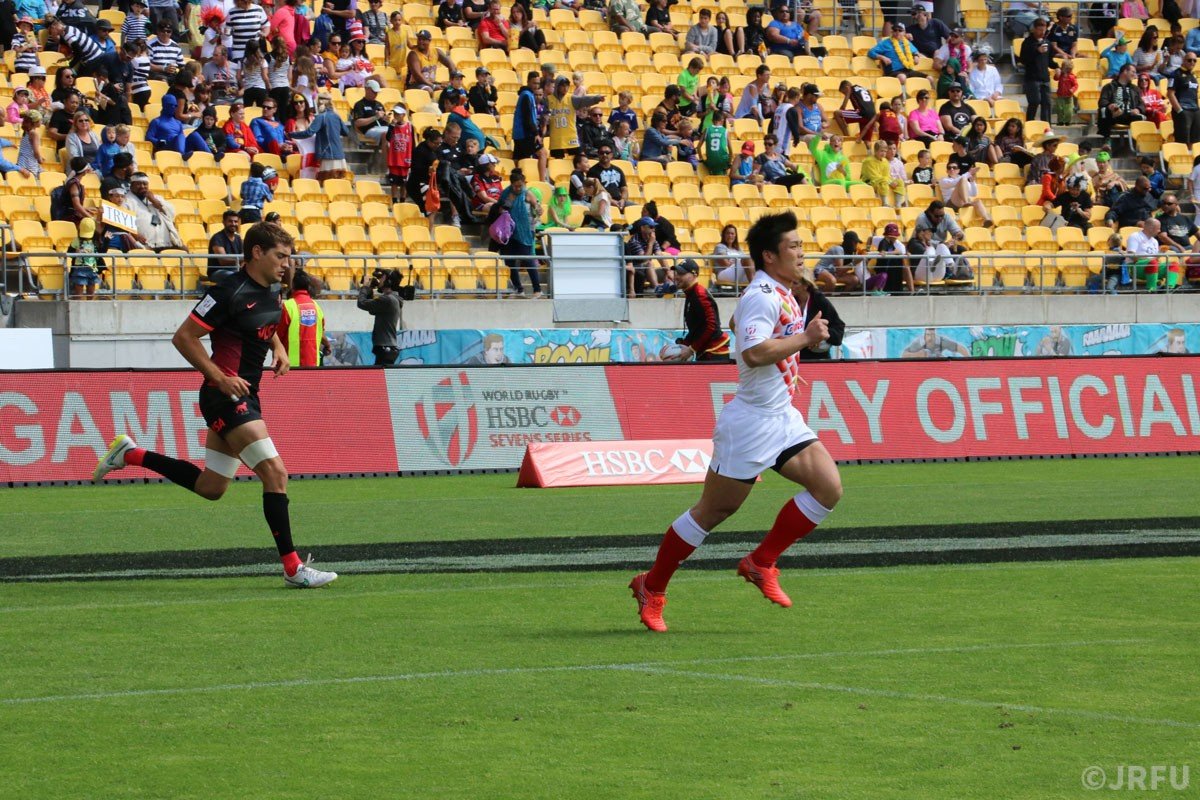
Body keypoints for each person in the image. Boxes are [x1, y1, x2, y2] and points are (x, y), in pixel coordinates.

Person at [93, 223, 338, 589]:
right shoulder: (227, 291)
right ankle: (293, 568)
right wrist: (220, 378)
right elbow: (184, 337)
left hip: (246, 393)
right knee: (275, 473)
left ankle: (130, 454)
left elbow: (261, 327)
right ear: (257, 253)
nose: (287, 264)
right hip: (224, 395)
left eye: (289, 257)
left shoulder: (271, 291)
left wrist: (279, 349)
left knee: (211, 487)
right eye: (280, 256)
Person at [628, 210, 839, 633]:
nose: (801, 252)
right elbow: (754, 353)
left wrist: (785, 331)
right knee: (712, 512)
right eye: (793, 246)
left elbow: (739, 327)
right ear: (769, 255)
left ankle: (761, 562)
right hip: (751, 423)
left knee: (828, 488)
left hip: (782, 416)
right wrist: (807, 338)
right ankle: (651, 586)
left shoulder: (780, 291)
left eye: (800, 245)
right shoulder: (763, 295)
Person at [663, 258, 731, 362]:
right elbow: (697, 328)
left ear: (694, 275)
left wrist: (691, 349)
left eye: (682, 273)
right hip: (707, 351)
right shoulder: (691, 293)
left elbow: (711, 326)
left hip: (714, 351)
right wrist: (684, 344)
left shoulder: (700, 294)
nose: (676, 276)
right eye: (676, 273)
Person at [497, 169, 543, 297]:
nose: (518, 188)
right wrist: (510, 201)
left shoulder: (528, 194)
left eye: (520, 186)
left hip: (525, 232)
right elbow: (501, 210)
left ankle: (537, 289)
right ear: (511, 184)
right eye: (515, 186)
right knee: (510, 261)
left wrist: (538, 210)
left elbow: (538, 207)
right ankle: (518, 289)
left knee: (527, 260)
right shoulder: (506, 194)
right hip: (508, 232)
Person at [280, 270, 329, 367]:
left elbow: (277, 335)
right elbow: (322, 333)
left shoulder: (287, 307)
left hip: (289, 367)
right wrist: (327, 344)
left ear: (293, 286)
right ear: (308, 286)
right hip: (313, 365)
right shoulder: (317, 307)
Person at [793, 271, 843, 360]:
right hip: (795, 357)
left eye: (795, 283)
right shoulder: (789, 301)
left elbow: (839, 329)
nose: (791, 286)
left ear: (806, 285)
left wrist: (822, 335)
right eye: (790, 282)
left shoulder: (820, 301)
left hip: (818, 359)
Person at [357, 267, 403, 364]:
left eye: (382, 278)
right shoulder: (393, 299)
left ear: (388, 281)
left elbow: (361, 303)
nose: (379, 280)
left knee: (378, 377)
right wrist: (370, 292)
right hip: (388, 347)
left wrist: (365, 287)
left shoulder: (388, 299)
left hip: (385, 348)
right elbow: (372, 310)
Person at [1126, 217, 1180, 291]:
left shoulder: (1155, 241)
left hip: (1152, 266)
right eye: (1158, 228)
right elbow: (1132, 255)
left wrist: (1160, 254)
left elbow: (1155, 259)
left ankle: (1169, 287)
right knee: (1153, 263)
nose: (1159, 231)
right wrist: (1150, 260)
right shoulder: (1135, 236)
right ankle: (1151, 288)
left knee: (1173, 264)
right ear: (1151, 228)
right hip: (1136, 266)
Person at [1020, 17, 1054, 123]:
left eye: (1043, 30)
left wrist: (1057, 67)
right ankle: (1030, 123)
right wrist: (1036, 51)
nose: (1042, 32)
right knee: (1034, 101)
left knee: (1047, 103)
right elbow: (1023, 59)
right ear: (1034, 29)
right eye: (1039, 30)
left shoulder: (1047, 42)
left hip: (1045, 78)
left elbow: (1050, 60)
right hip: (1032, 78)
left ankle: (1047, 126)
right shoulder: (1027, 42)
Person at [1169, 52, 1200, 146]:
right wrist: (1180, 111)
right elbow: (1170, 94)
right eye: (1189, 60)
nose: (1192, 62)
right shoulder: (1175, 74)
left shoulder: (1193, 76)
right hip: (1183, 110)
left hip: (1195, 110)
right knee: (1183, 141)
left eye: (1195, 60)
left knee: (1195, 141)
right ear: (1183, 60)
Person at [208, 209, 243, 280]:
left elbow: (243, 256)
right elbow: (223, 261)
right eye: (230, 221)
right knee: (234, 276)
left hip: (235, 270)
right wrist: (244, 259)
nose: (233, 224)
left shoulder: (238, 238)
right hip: (217, 272)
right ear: (224, 222)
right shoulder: (217, 237)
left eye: (236, 221)